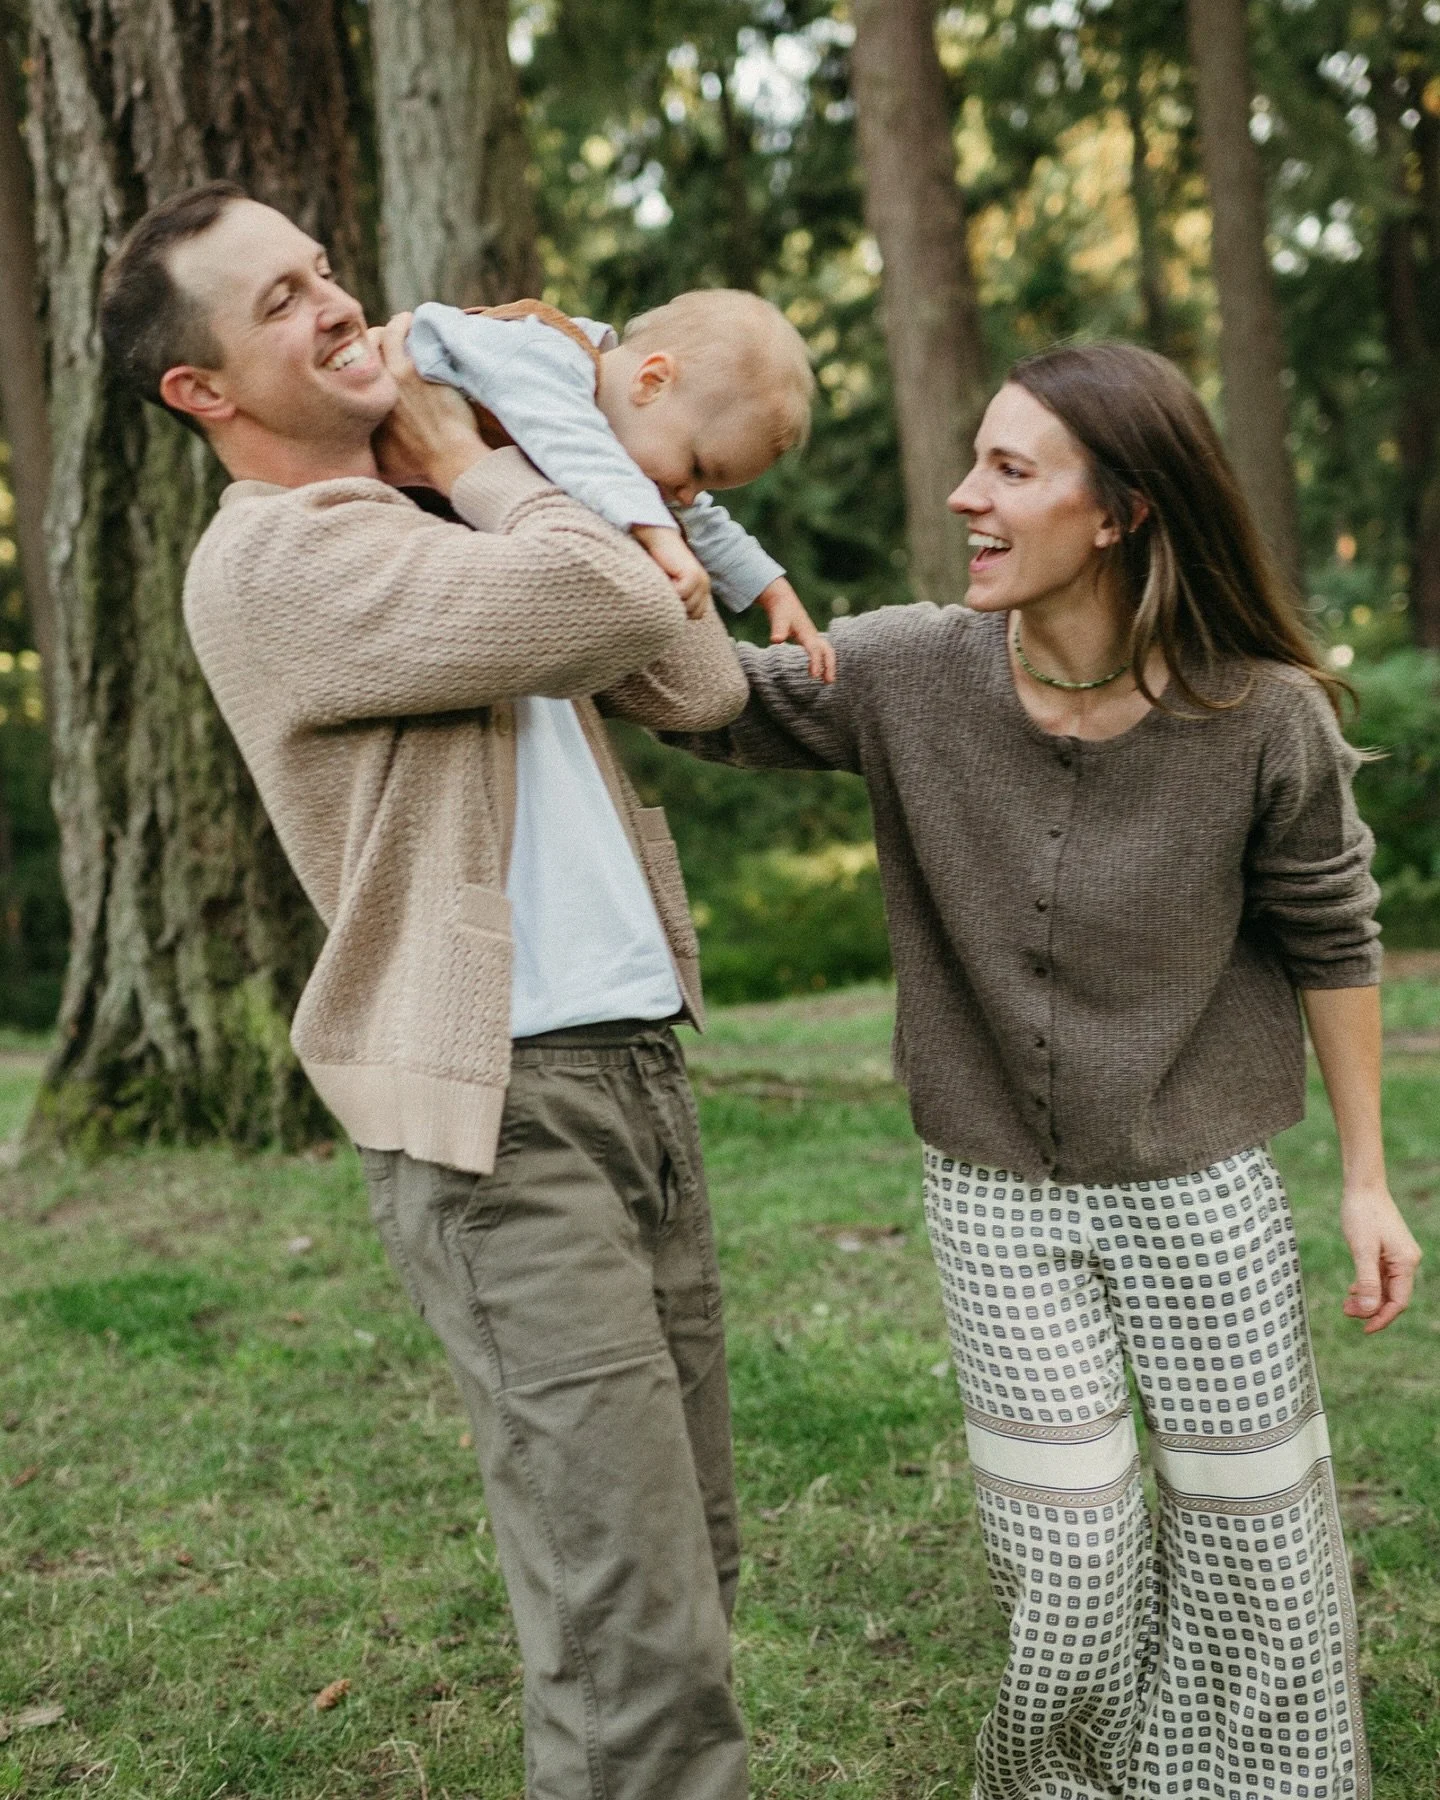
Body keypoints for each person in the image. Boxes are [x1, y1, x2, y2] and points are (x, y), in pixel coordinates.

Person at [667, 341, 1421, 1800]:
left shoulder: (1264, 717)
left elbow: (1338, 938)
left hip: (1201, 1185)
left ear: (1125, 510)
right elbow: (697, 693)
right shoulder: (904, 671)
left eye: (1011, 469)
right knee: (1072, 1564)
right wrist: (578, 485)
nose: (965, 495)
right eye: (976, 461)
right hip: (996, 1199)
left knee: (1257, 1544)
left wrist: (1369, 1182)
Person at [98, 179, 752, 1800]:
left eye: (326, 272)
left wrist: (490, 477)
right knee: (634, 1649)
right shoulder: (277, 563)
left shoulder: (440, 525)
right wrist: (479, 465)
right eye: (278, 303)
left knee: (687, 1589)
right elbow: (615, 599)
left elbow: (702, 674)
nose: (337, 307)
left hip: (634, 1082)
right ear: (201, 391)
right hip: (504, 1126)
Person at [407, 291, 835, 680]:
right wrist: (660, 537)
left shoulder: (627, 449)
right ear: (652, 382)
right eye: (696, 466)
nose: (687, 494)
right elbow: (577, 447)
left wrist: (771, 589)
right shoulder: (541, 356)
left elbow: (698, 518)